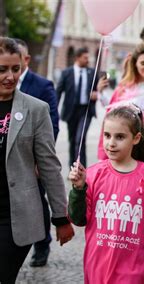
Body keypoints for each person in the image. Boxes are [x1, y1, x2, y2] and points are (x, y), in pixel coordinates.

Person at [0, 37, 74, 283]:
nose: (10, 76)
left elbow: (49, 166)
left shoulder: (35, 109)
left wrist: (61, 217)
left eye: (15, 68)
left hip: (16, 217)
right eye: (2, 69)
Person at [68, 105, 144, 283]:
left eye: (120, 137)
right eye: (107, 136)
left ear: (136, 138)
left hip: (132, 271)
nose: (111, 143)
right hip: (96, 267)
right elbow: (78, 218)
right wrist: (78, 189)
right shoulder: (93, 174)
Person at [14, 38, 60, 267]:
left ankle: (41, 245)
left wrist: (40, 160)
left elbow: (53, 123)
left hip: (33, 161)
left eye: (16, 62)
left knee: (37, 203)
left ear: (26, 59)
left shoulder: (42, 85)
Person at [97, 42, 144, 160]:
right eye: (143, 63)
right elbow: (109, 117)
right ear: (135, 63)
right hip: (121, 149)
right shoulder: (123, 88)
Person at [56, 47, 97, 166]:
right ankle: (72, 167)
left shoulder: (92, 73)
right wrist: (53, 109)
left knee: (80, 139)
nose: (87, 60)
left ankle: (81, 168)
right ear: (77, 58)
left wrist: (96, 94)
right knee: (72, 140)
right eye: (85, 58)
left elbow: (99, 89)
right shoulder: (66, 73)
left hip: (86, 111)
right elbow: (58, 92)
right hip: (71, 111)